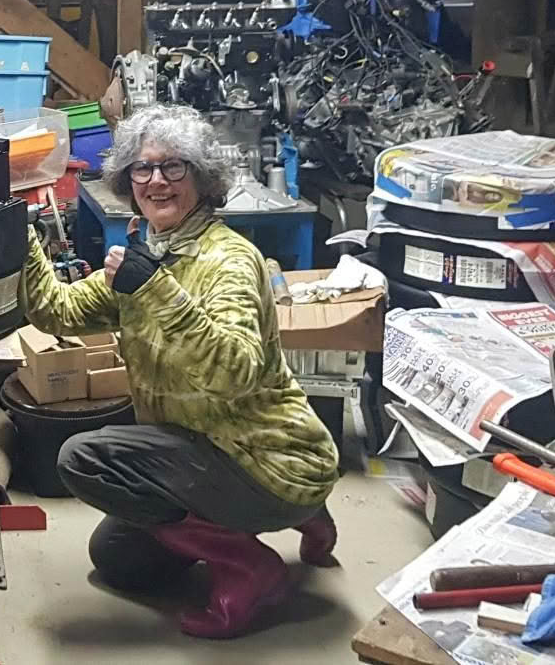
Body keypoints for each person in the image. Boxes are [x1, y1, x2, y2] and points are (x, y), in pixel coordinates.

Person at [18, 104, 341, 639]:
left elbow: (235, 372)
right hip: (199, 449)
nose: (156, 181)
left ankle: (252, 562)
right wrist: (21, 239)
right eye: (142, 169)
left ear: (202, 178)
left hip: (261, 456)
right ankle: (302, 515)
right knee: (119, 558)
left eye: (174, 167)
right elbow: (59, 312)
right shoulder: (150, 254)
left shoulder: (228, 263)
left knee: (84, 459)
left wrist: (154, 288)